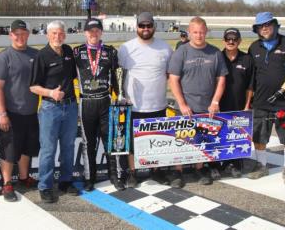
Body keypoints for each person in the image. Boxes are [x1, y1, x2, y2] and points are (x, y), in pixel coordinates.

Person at [118, 12, 180, 188]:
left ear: (153, 27)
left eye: (148, 26)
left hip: (158, 104)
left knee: (155, 140)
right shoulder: (126, 48)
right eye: (142, 26)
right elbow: (119, 75)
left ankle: (156, 171)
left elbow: (170, 74)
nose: (145, 29)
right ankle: (132, 173)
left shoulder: (165, 48)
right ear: (136, 27)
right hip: (134, 105)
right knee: (132, 142)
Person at [247, 12, 285, 186]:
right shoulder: (254, 47)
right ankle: (261, 165)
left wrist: (281, 91)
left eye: (267, 24)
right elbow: (250, 77)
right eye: (260, 26)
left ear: (275, 25)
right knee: (259, 137)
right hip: (261, 102)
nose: (264, 28)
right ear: (256, 29)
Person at [168, 16, 228, 185]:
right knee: (181, 140)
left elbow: (221, 80)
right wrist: (182, 104)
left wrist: (215, 102)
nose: (199, 35)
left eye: (201, 32)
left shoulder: (215, 53)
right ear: (189, 32)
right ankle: (178, 171)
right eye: (195, 32)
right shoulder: (181, 52)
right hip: (186, 107)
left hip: (207, 107)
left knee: (202, 139)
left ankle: (199, 168)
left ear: (206, 32)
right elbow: (173, 80)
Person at [0, 19, 40, 202]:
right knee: (9, 151)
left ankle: (24, 177)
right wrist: (1, 113)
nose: (20, 37)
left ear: (28, 34)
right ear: (10, 35)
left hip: (31, 112)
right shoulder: (4, 57)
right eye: (16, 34)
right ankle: (7, 183)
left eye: (23, 33)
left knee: (27, 149)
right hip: (11, 113)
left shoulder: (36, 54)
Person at [30, 20, 79, 203]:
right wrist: (51, 93)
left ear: (64, 34)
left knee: (68, 147)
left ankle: (65, 181)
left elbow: (74, 75)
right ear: (47, 35)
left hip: (71, 106)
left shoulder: (68, 51)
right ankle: (45, 186)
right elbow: (33, 87)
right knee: (48, 149)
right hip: (50, 108)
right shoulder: (41, 56)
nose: (57, 37)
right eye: (54, 34)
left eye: (60, 33)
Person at [73, 18, 124, 192]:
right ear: (85, 33)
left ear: (101, 32)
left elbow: (117, 76)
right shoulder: (76, 52)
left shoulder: (110, 51)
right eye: (90, 30)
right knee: (88, 143)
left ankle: (115, 176)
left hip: (105, 101)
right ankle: (89, 178)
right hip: (86, 102)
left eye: (97, 30)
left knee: (110, 140)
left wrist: (121, 95)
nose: (93, 33)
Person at [219, 28, 254, 178]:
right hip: (220, 105)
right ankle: (218, 163)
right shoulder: (217, 57)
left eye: (234, 39)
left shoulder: (247, 59)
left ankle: (235, 163)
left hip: (239, 105)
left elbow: (250, 86)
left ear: (239, 41)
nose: (231, 42)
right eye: (228, 39)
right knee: (220, 135)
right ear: (224, 41)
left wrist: (247, 106)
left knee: (237, 136)